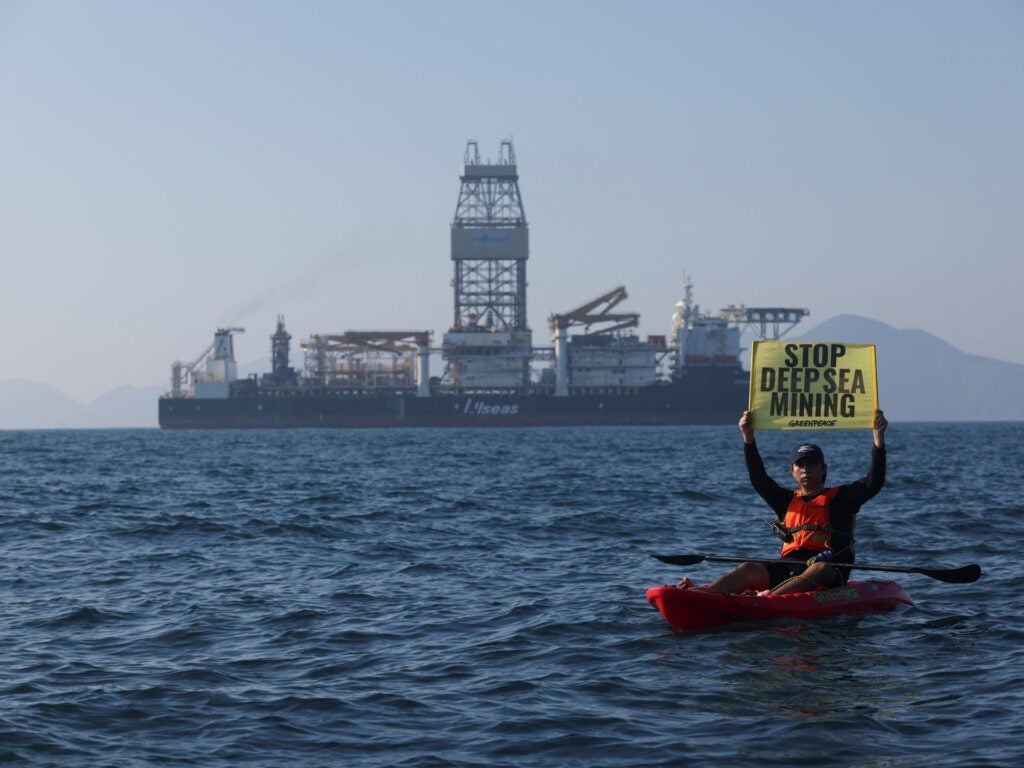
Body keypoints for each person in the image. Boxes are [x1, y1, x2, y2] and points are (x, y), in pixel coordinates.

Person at [679, 408, 888, 595]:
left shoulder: (842, 499)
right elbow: (759, 479)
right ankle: (704, 594)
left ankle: (769, 599)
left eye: (812, 464)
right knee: (749, 568)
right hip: (789, 568)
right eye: (800, 464)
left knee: (820, 568)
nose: (806, 469)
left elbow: (873, 482)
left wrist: (878, 439)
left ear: (823, 469)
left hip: (828, 571)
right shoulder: (786, 500)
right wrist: (748, 437)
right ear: (792, 472)